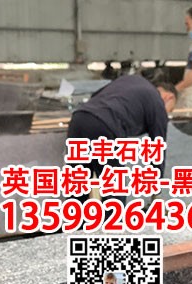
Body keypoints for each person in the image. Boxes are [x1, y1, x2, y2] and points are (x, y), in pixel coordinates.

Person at [66, 74, 178, 206]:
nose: (165, 114)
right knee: (114, 192)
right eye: (169, 110)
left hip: (79, 119)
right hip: (105, 126)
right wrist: (156, 188)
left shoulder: (131, 81)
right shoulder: (157, 102)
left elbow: (95, 96)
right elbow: (157, 148)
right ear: (169, 97)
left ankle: (72, 217)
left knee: (78, 185)